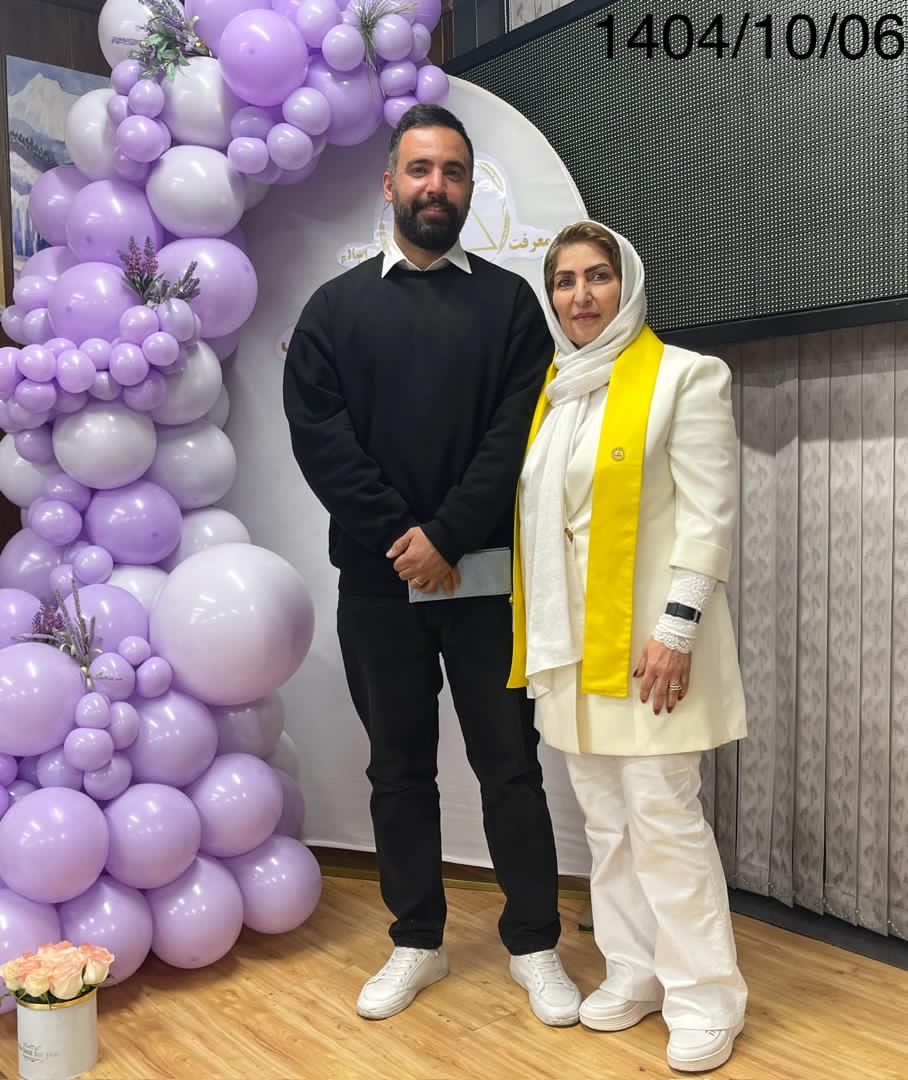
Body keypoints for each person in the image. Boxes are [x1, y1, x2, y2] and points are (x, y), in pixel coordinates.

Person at [283, 105, 580, 1026]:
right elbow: (322, 442)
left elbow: (514, 437)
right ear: (390, 184)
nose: (436, 186)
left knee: (511, 766)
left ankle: (534, 944)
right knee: (398, 772)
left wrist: (446, 537)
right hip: (378, 588)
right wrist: (404, 542)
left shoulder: (510, 306)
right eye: (420, 170)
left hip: (486, 584)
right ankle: (418, 939)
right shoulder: (334, 311)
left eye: (452, 171)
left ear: (468, 187)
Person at [509, 221, 748, 1072]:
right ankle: (635, 971)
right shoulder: (555, 393)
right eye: (565, 280)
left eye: (598, 276)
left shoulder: (686, 376)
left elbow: (710, 515)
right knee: (606, 825)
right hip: (573, 652)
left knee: (663, 820)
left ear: (628, 283)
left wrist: (678, 629)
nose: (581, 295)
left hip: (653, 649)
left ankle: (706, 998)